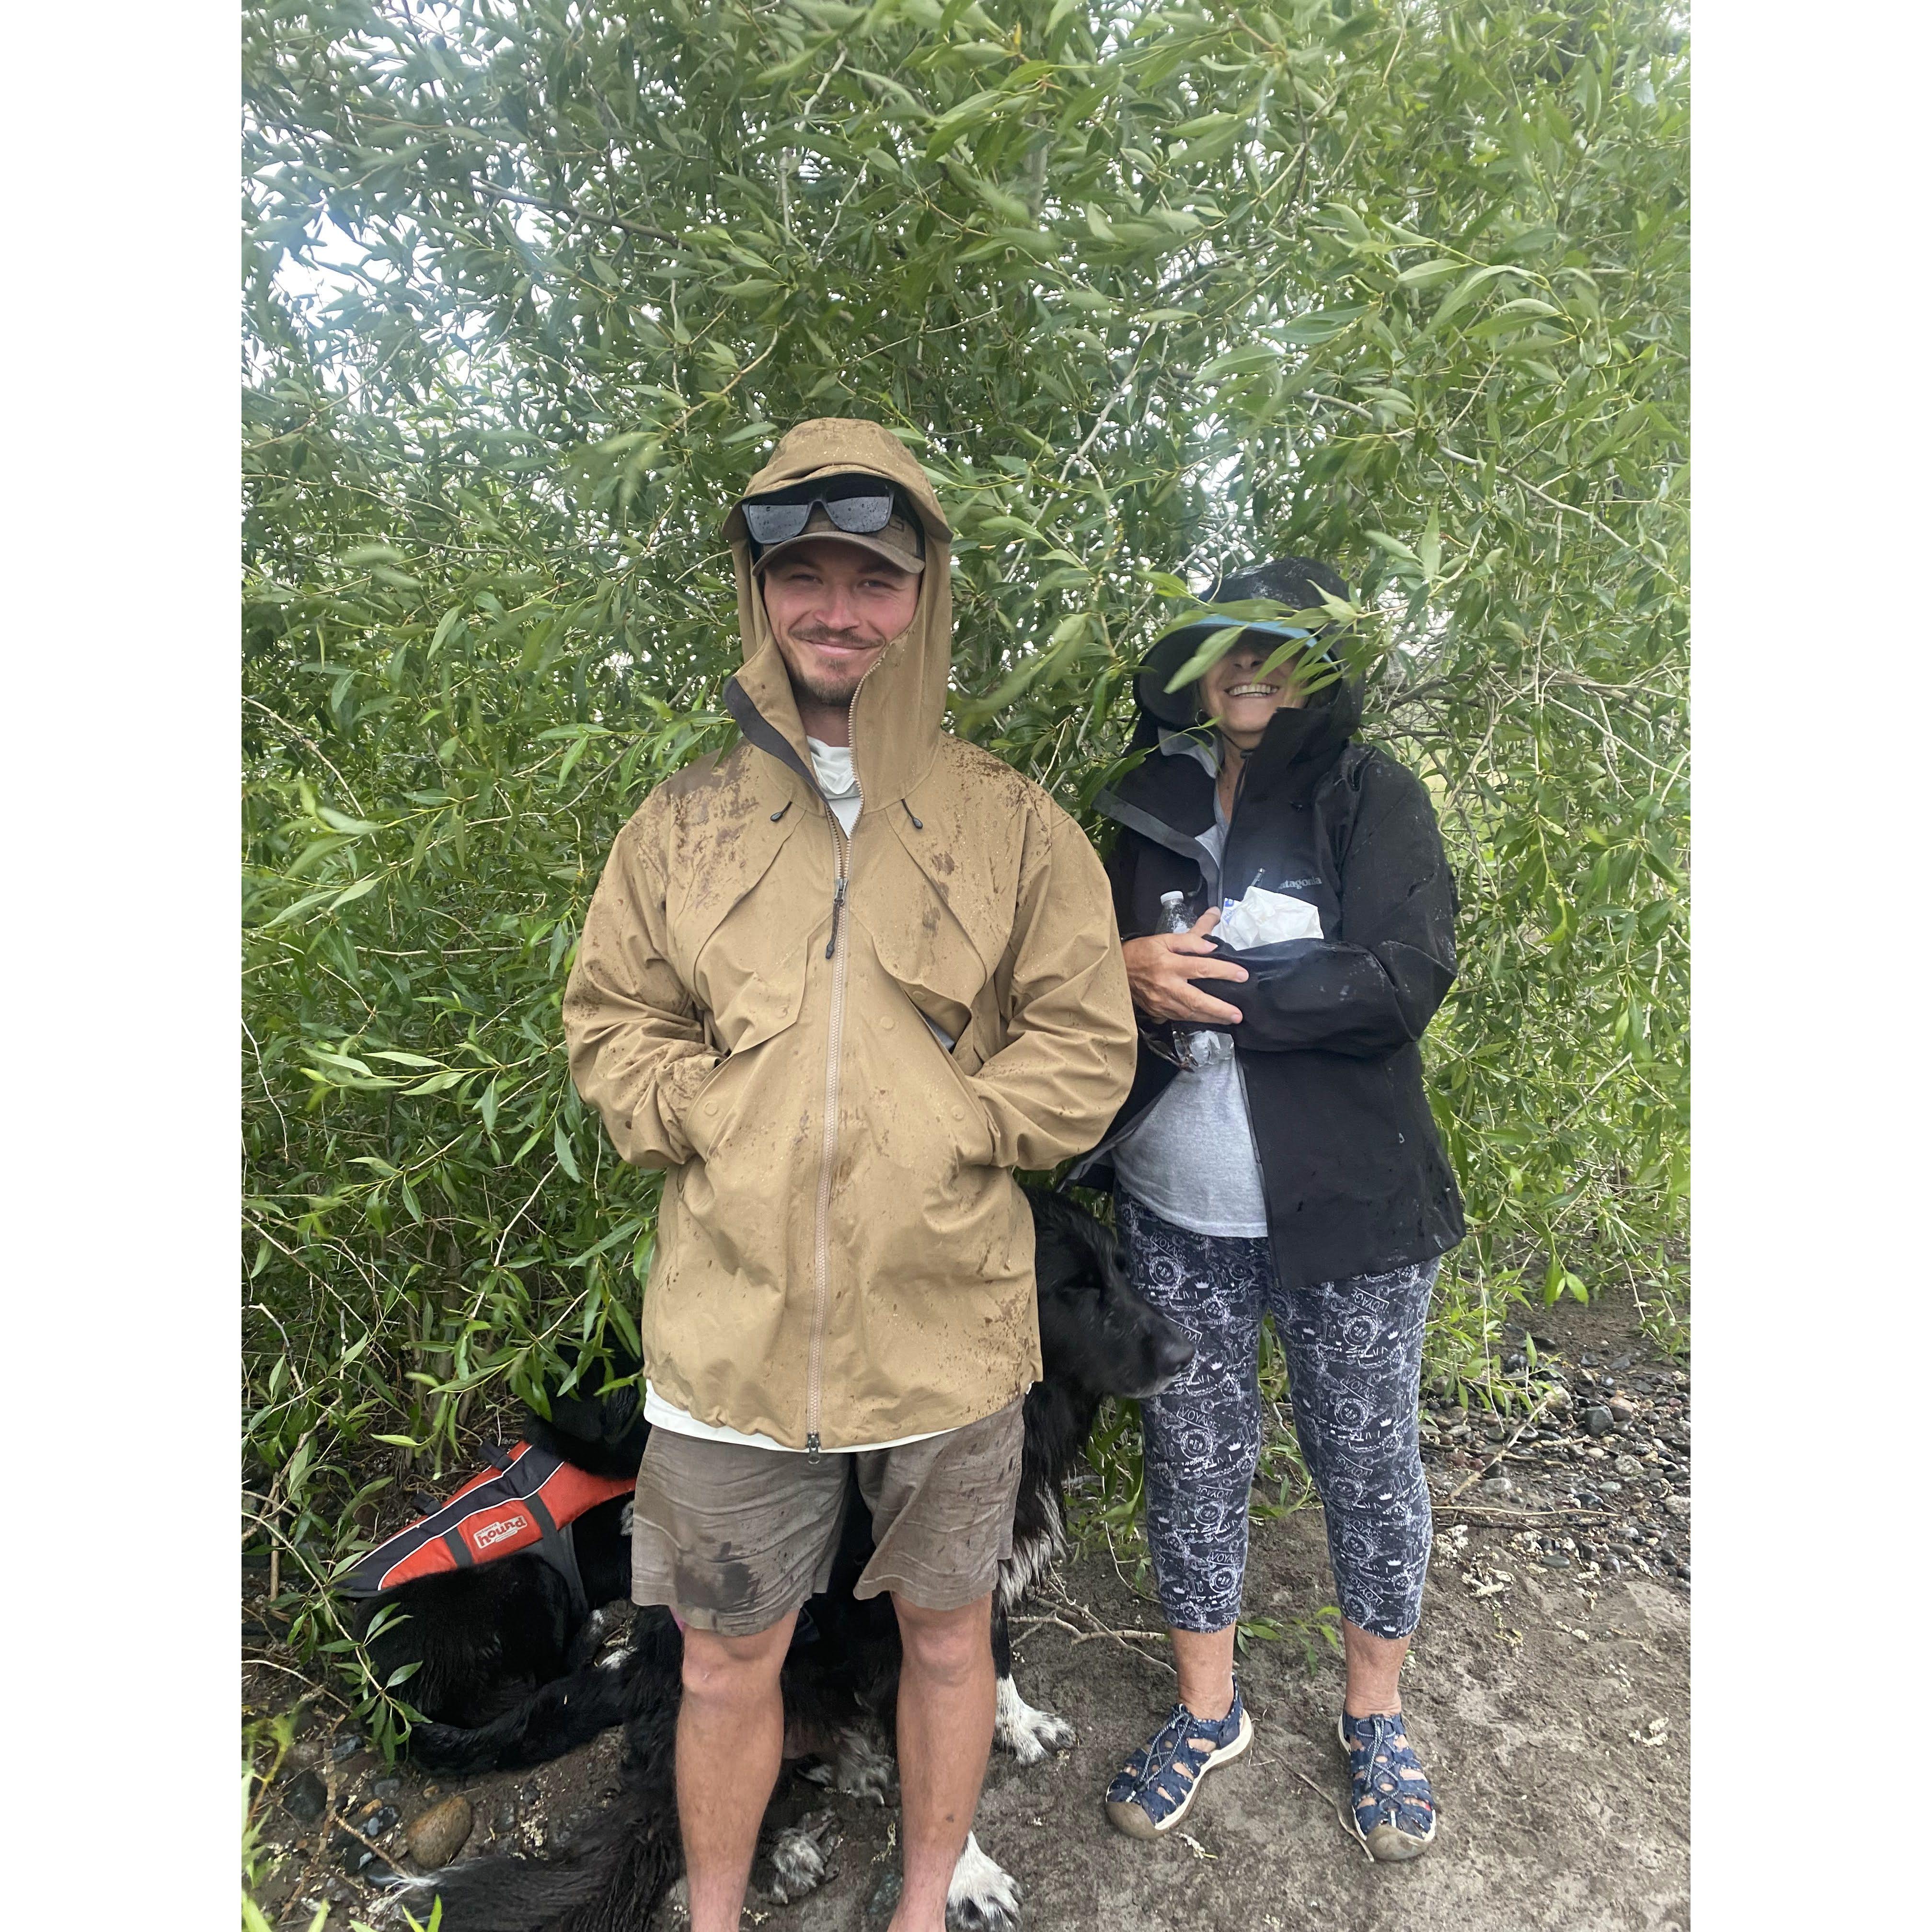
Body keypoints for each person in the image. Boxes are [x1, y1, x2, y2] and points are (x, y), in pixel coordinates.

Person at [562, 417, 1137, 1932]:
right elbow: (611, 1021)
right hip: (730, 1339)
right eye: (803, 575)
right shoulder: (679, 825)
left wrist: (956, 1126)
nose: (837, 609)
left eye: (873, 578)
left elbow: (1087, 1043)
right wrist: (705, 1110)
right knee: (721, 1660)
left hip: (947, 1329)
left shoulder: (1013, 825)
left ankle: (922, 1904)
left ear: (922, 595)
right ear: (758, 593)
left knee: (951, 1641)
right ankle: (715, 1916)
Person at [1072, 555, 1465, 1861]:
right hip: (1172, 1209)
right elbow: (1073, 963)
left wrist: (1227, 984)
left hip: (1350, 1212)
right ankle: (1208, 1710)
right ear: (1198, 670)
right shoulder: (1146, 803)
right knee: (1192, 1456)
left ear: (1322, 664)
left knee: (1366, 1457)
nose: (1249, 667)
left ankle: (1376, 1715)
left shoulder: (1374, 796)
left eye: (1279, 645)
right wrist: (1121, 968)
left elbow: (1402, 978)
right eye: (1227, 645)